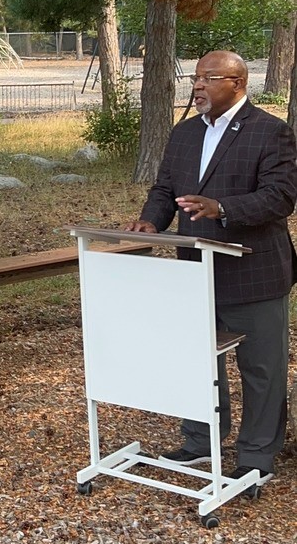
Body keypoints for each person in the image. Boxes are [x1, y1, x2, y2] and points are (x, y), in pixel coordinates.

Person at [125, 50, 297, 484]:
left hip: (253, 272)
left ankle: (257, 457)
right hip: (195, 271)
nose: (197, 85)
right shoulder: (183, 134)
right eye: (196, 77)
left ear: (238, 83)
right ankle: (201, 442)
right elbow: (165, 188)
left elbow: (281, 198)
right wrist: (151, 220)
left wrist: (222, 208)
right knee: (198, 362)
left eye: (209, 78)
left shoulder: (270, 132)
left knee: (261, 369)